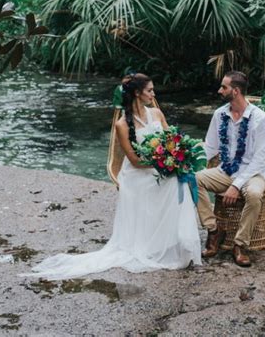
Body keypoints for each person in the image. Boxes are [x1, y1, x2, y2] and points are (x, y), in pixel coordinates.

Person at [23, 73, 202, 279]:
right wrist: (161, 163)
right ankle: (152, 244)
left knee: (178, 181)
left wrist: (174, 159)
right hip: (138, 173)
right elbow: (134, 160)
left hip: (158, 167)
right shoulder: (122, 125)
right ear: (137, 93)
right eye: (150, 90)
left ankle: (176, 242)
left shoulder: (157, 114)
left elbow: (172, 142)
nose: (154, 94)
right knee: (170, 182)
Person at [196, 71, 265, 267]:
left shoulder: (260, 119)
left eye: (224, 87)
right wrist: (188, 158)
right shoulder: (219, 114)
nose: (220, 90)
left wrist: (236, 186)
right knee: (192, 179)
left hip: (253, 173)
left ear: (236, 91)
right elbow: (210, 147)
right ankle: (214, 231)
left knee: (254, 194)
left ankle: (240, 244)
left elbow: (259, 160)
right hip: (226, 169)